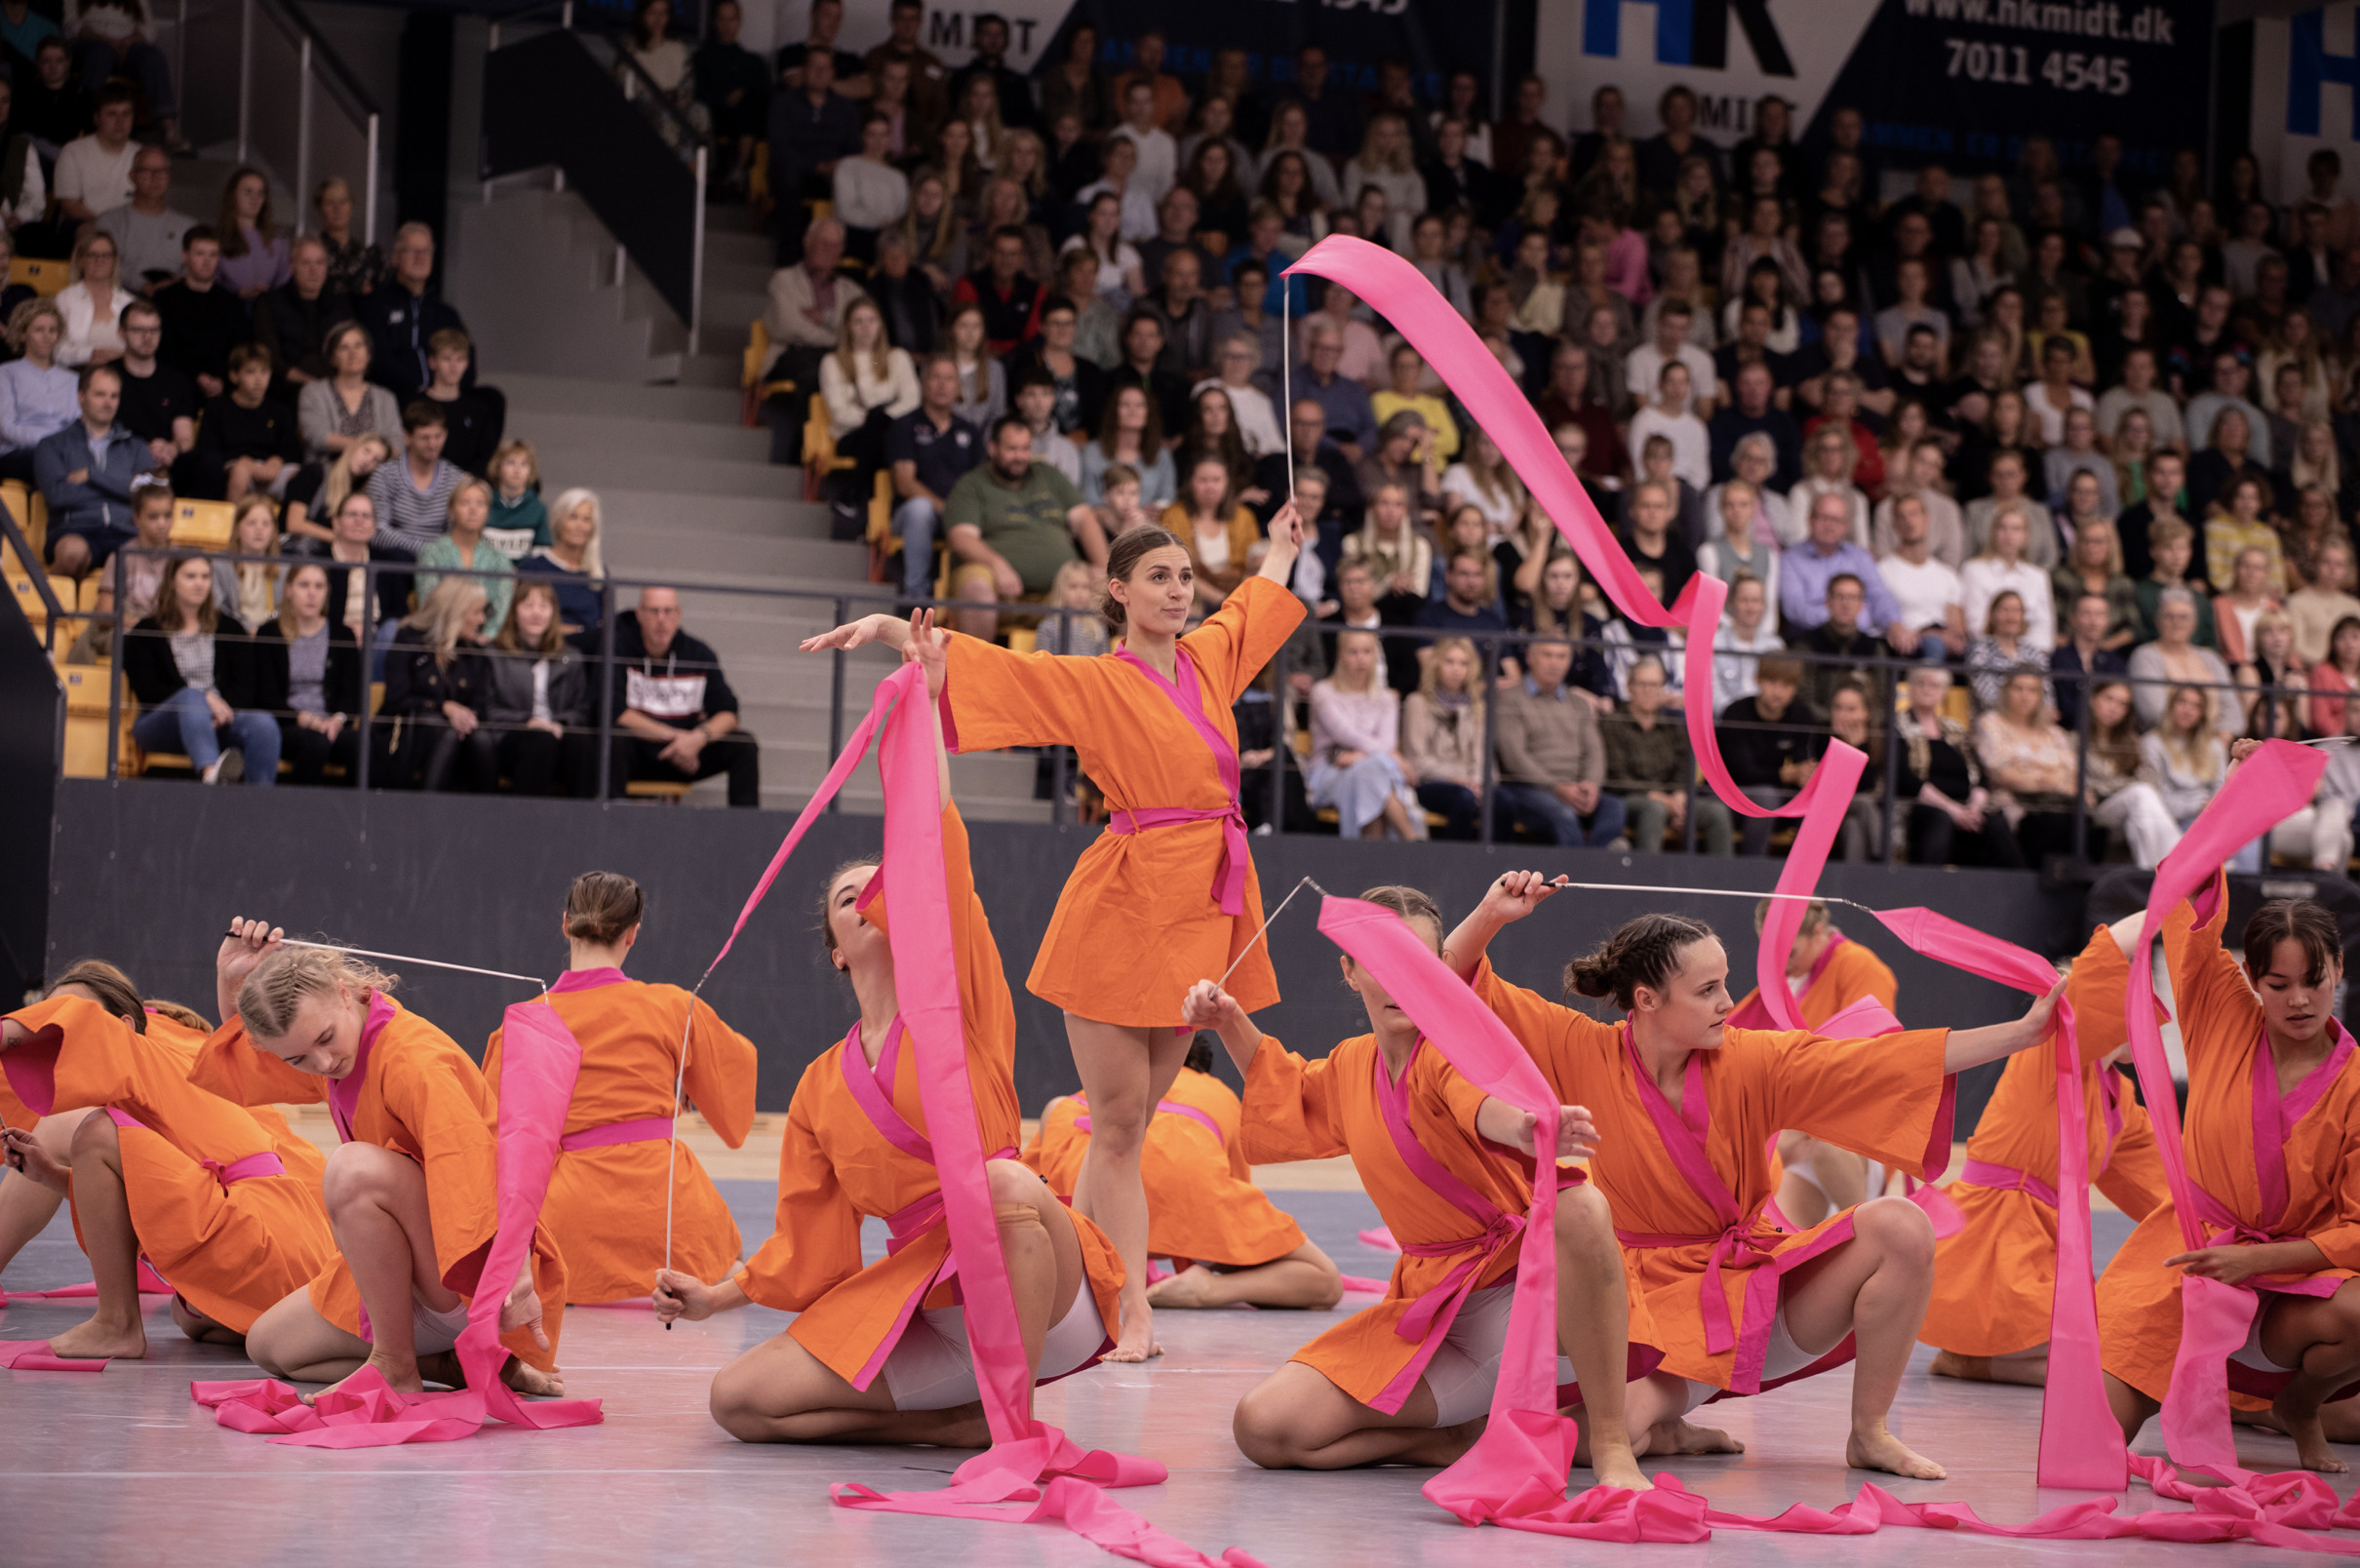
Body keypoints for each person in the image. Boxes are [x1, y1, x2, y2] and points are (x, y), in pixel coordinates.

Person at [800, 505, 1308, 1362]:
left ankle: (1118, 1290)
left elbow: (1254, 605)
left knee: (1138, 1120)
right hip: (1123, 906)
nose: (1179, 591)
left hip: (1199, 904)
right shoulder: (1096, 679)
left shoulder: (1209, 658)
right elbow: (1002, 675)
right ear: (1118, 591)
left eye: (1185, 577)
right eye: (1160, 578)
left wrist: (1284, 548)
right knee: (1114, 1124)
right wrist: (895, 629)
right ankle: (1129, 1310)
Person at [661, 611, 1126, 1443]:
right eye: (851, 899)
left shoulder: (960, 997)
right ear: (837, 951)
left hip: (1033, 1280)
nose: (873, 900)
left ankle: (1006, 1414)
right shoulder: (816, 1088)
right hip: (926, 1295)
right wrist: (717, 1297)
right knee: (738, 1400)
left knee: (1005, 1184)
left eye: (886, 888)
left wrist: (924, 706)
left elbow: (935, 843)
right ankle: (952, 1424)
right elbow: (809, 1245)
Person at [1450, 882, 2065, 1478]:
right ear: (1646, 1000)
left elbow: (1881, 1060)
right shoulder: (1578, 1048)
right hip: (1647, 1311)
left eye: (1726, 984)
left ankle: (1869, 1432)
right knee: (1590, 1439)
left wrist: (2022, 1034)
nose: (1728, 1002)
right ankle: (1666, 1427)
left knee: (1902, 1227)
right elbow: (1448, 987)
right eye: (1709, 989)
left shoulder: (1750, 1057)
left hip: (1750, 1288)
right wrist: (1490, 916)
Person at [1179, 884, 1651, 1483]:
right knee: (1264, 1427)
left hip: (1523, 1304)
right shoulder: (1353, 1062)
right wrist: (1230, 1019)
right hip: (1435, 1314)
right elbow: (1292, 1088)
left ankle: (1614, 1447)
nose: (1403, 980)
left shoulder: (1450, 1053)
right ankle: (1455, 1440)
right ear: (1350, 971)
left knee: (1580, 1203)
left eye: (1421, 964)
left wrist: (1524, 1127)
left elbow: (1479, 1099)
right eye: (1383, 963)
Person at [192, 923, 567, 1400]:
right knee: (269, 1345)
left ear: (344, 993)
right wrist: (232, 981)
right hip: (408, 1263)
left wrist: (515, 1276)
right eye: (299, 1059)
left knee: (352, 1170)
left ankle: (393, 1362)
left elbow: (475, 1166)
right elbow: (244, 1063)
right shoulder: (343, 1045)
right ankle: (448, 1366)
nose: (322, 1064)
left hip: (467, 1268)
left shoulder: (413, 1060)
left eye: (325, 1039)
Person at [2098, 847, 2360, 1470]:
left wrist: (2255, 1261)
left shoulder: (2355, 1086)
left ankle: (2297, 1404)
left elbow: (2358, 1232)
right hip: (2188, 1263)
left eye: (2314, 981)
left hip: (2288, 1286)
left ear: (2340, 970)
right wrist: (2234, 797)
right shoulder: (2219, 1011)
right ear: (2251, 980)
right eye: (2279, 985)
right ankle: (2218, 1392)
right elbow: (2183, 900)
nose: (2299, 1000)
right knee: (2089, 1452)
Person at [0, 967, 333, 1360]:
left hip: (267, 1238)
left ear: (125, 1025)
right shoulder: (150, 1082)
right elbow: (141, 1198)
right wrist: (52, 1176)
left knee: (93, 1132)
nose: (60, 1025)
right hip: (292, 1263)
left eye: (71, 1013)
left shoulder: (142, 1053)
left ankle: (116, 1324)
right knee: (187, 1315)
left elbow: (35, 1033)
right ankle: (260, 1322)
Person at [481, 871, 758, 1307]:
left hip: (571, 1227)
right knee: (732, 1258)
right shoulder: (672, 1006)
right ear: (632, 935)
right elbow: (734, 1093)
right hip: (673, 1219)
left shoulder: (526, 1021)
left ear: (566, 924)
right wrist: (684, 1080)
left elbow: (495, 1139)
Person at [1919, 921, 2168, 1386]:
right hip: (1990, 1244)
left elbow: (2169, 1194)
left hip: (2037, 1248)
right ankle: (1974, 1357)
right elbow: (2101, 958)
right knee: (2115, 1355)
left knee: (2128, 1346)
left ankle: (1977, 1360)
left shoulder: (2118, 1100)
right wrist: (2167, 902)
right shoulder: (2058, 1041)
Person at [1026, 1033, 1339, 1313]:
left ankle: (1093, 1275)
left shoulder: (1090, 1092)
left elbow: (1030, 1191)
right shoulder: (1217, 1093)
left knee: (1056, 1111)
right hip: (1188, 1202)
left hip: (1092, 1217)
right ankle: (1209, 1290)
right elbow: (1234, 1181)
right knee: (1323, 1279)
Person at [123, 553, 278, 785]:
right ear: (172, 581)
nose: (200, 583)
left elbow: (245, 686)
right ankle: (210, 774)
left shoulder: (230, 627)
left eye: (205, 577)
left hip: (222, 718)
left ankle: (260, 803)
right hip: (163, 723)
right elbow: (149, 691)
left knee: (263, 723)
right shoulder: (145, 631)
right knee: (190, 696)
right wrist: (204, 701)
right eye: (190, 576)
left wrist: (214, 713)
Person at [608, 585, 759, 808]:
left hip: (685, 758)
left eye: (668, 611)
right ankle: (612, 822)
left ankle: (749, 834)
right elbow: (616, 712)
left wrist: (697, 739)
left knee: (743, 744)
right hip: (636, 755)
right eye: (654, 611)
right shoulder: (618, 649)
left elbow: (729, 713)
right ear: (639, 614)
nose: (662, 619)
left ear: (678, 614)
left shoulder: (698, 654)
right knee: (613, 737)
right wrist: (677, 738)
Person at [1492, 636, 1626, 847]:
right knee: (1563, 815)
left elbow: (1594, 751)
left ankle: (1598, 869)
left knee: (1614, 807)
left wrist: (1591, 784)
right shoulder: (1509, 699)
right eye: (1548, 655)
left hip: (1575, 787)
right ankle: (1578, 874)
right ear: (1529, 657)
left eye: (1562, 656)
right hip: (1527, 788)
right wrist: (1557, 787)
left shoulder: (1579, 703)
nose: (1555, 663)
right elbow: (1514, 757)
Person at [374, 576, 493, 793]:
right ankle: (426, 812)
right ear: (455, 613)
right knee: (445, 732)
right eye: (476, 612)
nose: (481, 619)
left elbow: (482, 703)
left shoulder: (474, 652)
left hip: (460, 737)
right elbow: (396, 698)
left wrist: (466, 716)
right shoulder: (408, 639)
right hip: (408, 733)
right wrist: (443, 707)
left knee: (481, 738)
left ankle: (490, 816)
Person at [880, 353, 981, 601]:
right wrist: (943, 507)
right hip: (912, 515)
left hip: (958, 513)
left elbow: (979, 484)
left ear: (958, 387)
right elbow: (904, 483)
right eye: (935, 377)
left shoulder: (969, 431)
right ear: (923, 383)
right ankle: (917, 596)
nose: (942, 384)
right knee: (920, 509)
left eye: (949, 379)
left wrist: (959, 511)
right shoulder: (905, 425)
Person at [253, 559, 363, 787]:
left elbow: (353, 693)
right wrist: (307, 720)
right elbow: (265, 696)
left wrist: (338, 719)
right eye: (304, 585)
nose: (312, 594)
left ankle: (353, 816)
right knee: (316, 743)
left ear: (327, 592)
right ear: (289, 589)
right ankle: (300, 812)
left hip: (331, 724)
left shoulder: (342, 634)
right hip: (288, 725)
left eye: (319, 586)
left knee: (360, 742)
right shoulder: (270, 633)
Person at [1608, 653, 1732, 854]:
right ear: (1629, 687)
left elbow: (1684, 766)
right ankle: (1647, 879)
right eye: (1642, 684)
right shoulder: (1613, 723)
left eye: (1655, 685)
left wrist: (1679, 797)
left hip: (1671, 798)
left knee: (1717, 812)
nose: (1649, 691)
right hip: (1629, 798)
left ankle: (1725, 881)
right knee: (1654, 809)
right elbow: (1617, 775)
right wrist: (1661, 799)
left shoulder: (1672, 723)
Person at [1307, 628, 1422, 842]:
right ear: (1341, 655)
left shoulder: (1387, 697)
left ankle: (1372, 868)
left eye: (1367, 651)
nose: (1361, 658)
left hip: (1369, 771)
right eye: (1353, 652)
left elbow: (1387, 741)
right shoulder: (1323, 692)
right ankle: (1411, 839)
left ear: (1376, 655)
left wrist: (1363, 757)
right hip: (1330, 770)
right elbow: (1346, 734)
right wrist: (1386, 756)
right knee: (1371, 774)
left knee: (1367, 776)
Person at [33, 359, 142, 575]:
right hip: (74, 529)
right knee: (73, 552)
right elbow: (57, 495)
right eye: (100, 394)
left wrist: (93, 476)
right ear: (81, 397)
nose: (108, 402)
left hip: (126, 532)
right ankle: (51, 607)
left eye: (114, 396)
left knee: (150, 556)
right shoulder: (52, 445)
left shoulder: (136, 446)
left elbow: (146, 494)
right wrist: (120, 489)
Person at [1978, 668, 2090, 862]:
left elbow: (2074, 774)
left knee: (2087, 821)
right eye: (2018, 688)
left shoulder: (2054, 733)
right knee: (2048, 820)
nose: (2025, 696)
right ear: (2006, 691)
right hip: (2016, 802)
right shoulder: (1991, 723)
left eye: (2032, 690)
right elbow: (1998, 772)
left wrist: (2031, 772)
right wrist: (2051, 778)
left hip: (2058, 803)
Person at [1718, 655, 1825, 853]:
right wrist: (1785, 775)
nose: (1778, 692)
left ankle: (1806, 876)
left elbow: (1803, 758)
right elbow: (1742, 772)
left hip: (1779, 794)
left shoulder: (1801, 715)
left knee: (1818, 800)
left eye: (1786, 685)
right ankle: (1753, 872)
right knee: (1766, 797)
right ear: (1757, 679)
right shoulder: (1736, 713)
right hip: (1731, 794)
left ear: (1796, 687)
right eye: (1772, 682)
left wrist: (1805, 773)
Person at [2081, 680, 2183, 870]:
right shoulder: (2075, 739)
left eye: (2122, 704)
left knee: (2142, 802)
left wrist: (2115, 785)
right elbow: (2084, 785)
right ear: (2093, 700)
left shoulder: (2132, 742)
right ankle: (2180, 861)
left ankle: (2153, 872)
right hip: (2097, 814)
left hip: (2128, 811)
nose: (2114, 708)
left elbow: (2151, 780)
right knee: (2139, 794)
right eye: (2109, 699)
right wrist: (2125, 784)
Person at [1400, 636, 1488, 842]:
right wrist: (1458, 779)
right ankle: (1456, 865)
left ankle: (1504, 869)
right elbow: (1417, 760)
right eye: (1449, 661)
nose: (1456, 669)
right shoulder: (1417, 702)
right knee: (1463, 799)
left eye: (1463, 663)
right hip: (1431, 782)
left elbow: (1481, 755)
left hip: (1470, 784)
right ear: (1437, 664)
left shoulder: (1477, 707)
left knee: (1503, 802)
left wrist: (1477, 781)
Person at [191, 343, 300, 502]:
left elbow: (292, 450)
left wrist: (276, 461)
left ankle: (292, 525)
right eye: (250, 372)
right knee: (240, 470)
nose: (259, 379)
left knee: (303, 476)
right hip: (232, 469)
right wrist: (245, 463)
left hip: (271, 469)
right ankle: (234, 524)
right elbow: (207, 450)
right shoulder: (217, 408)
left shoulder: (279, 411)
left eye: (264, 372)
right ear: (234, 376)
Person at [151, 227, 249, 398]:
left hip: (224, 389)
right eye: (200, 254)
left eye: (213, 255)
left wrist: (222, 380)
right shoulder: (164, 300)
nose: (207, 261)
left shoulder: (232, 303)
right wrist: (197, 376)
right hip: (175, 387)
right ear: (185, 256)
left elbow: (239, 350)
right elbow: (163, 349)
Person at [414, 477, 514, 640]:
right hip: (438, 637)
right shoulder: (432, 552)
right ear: (451, 510)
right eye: (465, 502)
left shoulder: (499, 560)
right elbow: (427, 603)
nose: (473, 509)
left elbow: (499, 612)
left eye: (480, 503)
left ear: (487, 511)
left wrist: (484, 638)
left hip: (483, 643)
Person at [253, 235, 354, 395]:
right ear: (292, 266)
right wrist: (310, 383)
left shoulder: (340, 305)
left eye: (319, 263)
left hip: (334, 389)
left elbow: (350, 351)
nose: (313, 270)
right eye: (306, 263)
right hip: (285, 389)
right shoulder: (270, 303)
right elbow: (268, 356)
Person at [2129, 587, 2239, 732]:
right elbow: (2153, 712)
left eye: (2183, 617)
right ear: (2157, 621)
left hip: (2212, 742)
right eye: (2169, 616)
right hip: (2165, 741)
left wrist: (2220, 739)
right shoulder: (2145, 656)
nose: (2176, 623)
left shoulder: (2210, 658)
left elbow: (2235, 714)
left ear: (2194, 623)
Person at [365, 402, 465, 555]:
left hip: (441, 562)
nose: (432, 444)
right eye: (424, 438)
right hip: (395, 560)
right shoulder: (384, 475)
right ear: (407, 437)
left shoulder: (457, 479)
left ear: (445, 434)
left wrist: (438, 556)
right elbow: (377, 531)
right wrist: (426, 550)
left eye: (437, 436)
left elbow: (458, 532)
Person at [1960, 507, 2056, 655]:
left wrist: (2026, 655)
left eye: (2016, 529)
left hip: (2030, 657)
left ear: (2026, 536)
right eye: (2002, 528)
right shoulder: (1973, 569)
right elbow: (1975, 623)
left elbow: (2043, 626)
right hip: (1986, 653)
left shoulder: (2038, 576)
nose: (2008, 534)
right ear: (1993, 533)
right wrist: (2006, 651)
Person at [1, 295, 75, 484]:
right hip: (19, 453)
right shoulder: (6, 373)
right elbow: (7, 426)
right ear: (22, 333)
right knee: (48, 461)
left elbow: (78, 423)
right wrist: (50, 442)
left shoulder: (72, 379)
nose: (47, 336)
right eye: (39, 330)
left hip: (64, 451)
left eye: (52, 330)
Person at [517, 486, 604, 636]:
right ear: (558, 521)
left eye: (586, 519)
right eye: (573, 517)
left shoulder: (598, 573)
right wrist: (575, 631)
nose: (579, 526)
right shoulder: (533, 567)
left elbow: (604, 624)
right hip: (546, 648)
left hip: (590, 653)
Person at [54, 226, 131, 368]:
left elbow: (139, 347)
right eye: (92, 255)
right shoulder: (65, 299)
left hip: (121, 374)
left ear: (114, 260)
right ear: (79, 260)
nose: (99, 260)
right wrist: (91, 353)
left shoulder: (128, 302)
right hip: (76, 374)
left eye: (106, 255)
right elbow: (54, 348)